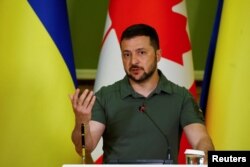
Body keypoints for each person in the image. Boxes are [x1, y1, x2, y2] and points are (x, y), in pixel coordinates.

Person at [70, 24, 214, 164]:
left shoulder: (181, 97)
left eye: (141, 52)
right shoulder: (105, 96)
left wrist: (205, 156)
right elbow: (84, 147)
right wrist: (81, 121)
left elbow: (201, 139)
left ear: (158, 55)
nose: (133, 61)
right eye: (127, 54)